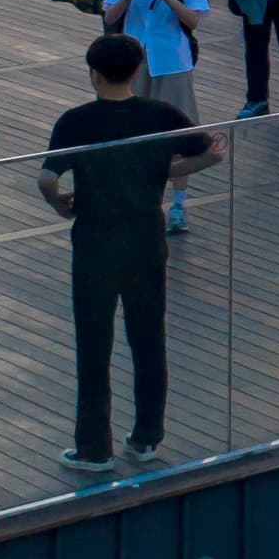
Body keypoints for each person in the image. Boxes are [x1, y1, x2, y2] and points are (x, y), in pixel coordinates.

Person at [38, 32, 220, 475]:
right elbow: (210, 152)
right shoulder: (160, 113)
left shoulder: (76, 121)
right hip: (145, 238)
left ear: (94, 75)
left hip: (96, 241)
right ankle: (145, 438)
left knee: (94, 342)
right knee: (147, 336)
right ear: (138, 70)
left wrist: (59, 200)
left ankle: (93, 447)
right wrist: (169, 168)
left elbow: (47, 177)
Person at [101, 0, 212, 230]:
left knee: (178, 133)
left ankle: (178, 205)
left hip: (172, 63)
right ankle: (140, 200)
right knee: (132, 133)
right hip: (134, 61)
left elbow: (193, 19)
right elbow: (109, 16)